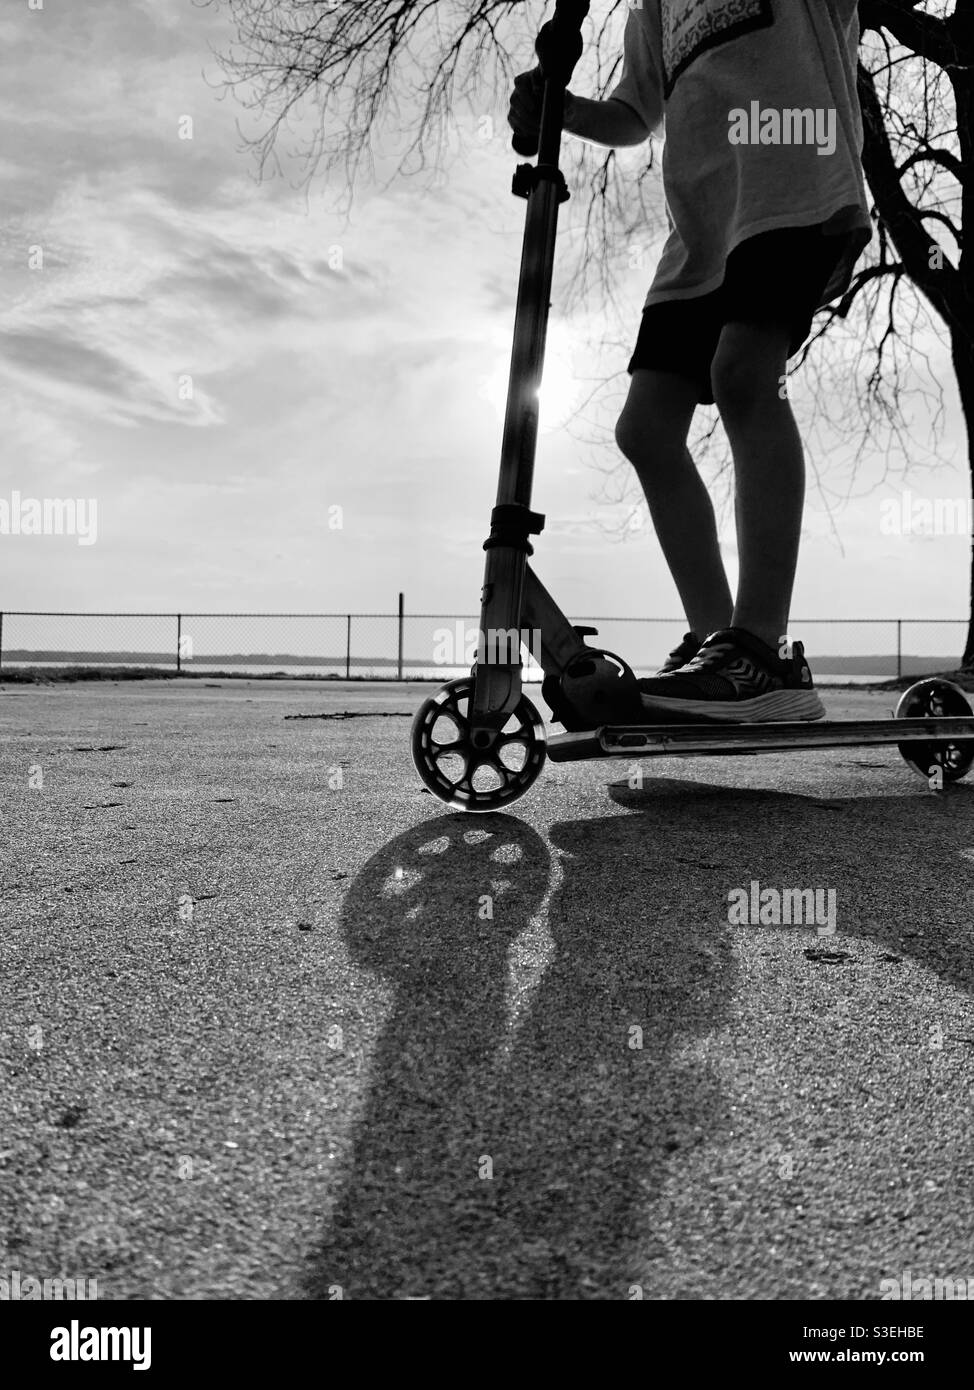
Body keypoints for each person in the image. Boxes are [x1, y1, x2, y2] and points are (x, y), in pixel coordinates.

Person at [509, 0, 872, 722]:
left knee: (742, 375)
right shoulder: (655, 7)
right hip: (702, 232)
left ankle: (761, 652)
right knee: (645, 430)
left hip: (794, 189)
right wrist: (563, 108)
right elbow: (634, 114)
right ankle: (718, 648)